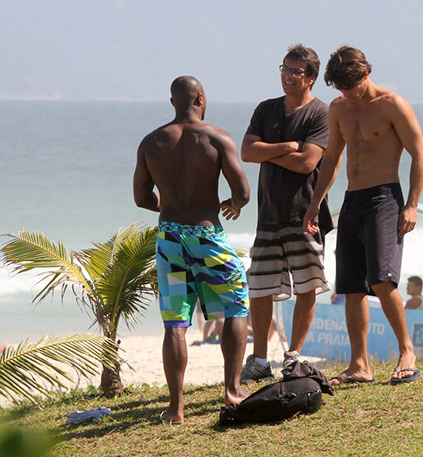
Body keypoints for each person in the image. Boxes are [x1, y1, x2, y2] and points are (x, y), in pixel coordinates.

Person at [303, 46, 423, 385]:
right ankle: (360, 365)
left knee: (382, 279)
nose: (347, 94)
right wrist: (316, 203)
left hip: (385, 198)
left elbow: (419, 155)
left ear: (365, 74)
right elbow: (331, 160)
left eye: (351, 87)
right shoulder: (340, 108)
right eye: (341, 88)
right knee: (351, 285)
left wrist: (412, 204)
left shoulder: (392, 105)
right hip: (352, 201)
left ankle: (407, 352)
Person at [133, 75, 251, 425]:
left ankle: (175, 408)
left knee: (175, 321)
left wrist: (169, 206)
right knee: (235, 306)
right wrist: (231, 204)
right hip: (207, 232)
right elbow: (243, 191)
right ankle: (232, 390)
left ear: (173, 102)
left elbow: (141, 198)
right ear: (201, 98)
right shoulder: (217, 137)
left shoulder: (151, 141)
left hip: (169, 236)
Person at [240, 44, 333, 383]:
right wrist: (284, 148)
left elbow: (308, 162)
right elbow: (247, 152)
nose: (288, 76)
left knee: (306, 286)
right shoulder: (266, 109)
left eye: (296, 71)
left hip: (305, 213)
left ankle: (294, 355)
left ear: (310, 78)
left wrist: (267, 152)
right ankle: (260, 360)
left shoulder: (320, 114)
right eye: (285, 68)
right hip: (268, 214)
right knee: (260, 287)